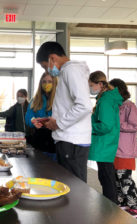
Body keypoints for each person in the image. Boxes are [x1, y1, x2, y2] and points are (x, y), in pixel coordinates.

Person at [36, 41, 92, 182]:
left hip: (71, 142)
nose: (47, 71)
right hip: (69, 140)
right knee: (69, 187)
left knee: (75, 189)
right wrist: (53, 121)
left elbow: (84, 105)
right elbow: (69, 106)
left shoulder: (71, 70)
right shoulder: (68, 72)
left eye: (45, 66)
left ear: (52, 58)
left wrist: (59, 123)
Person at [109, 78, 137, 218]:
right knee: (117, 178)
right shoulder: (115, 106)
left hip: (126, 151)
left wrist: (118, 124)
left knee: (125, 179)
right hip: (114, 149)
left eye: (112, 90)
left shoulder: (129, 106)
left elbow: (135, 126)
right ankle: (123, 203)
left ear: (119, 90)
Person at [88, 71, 123, 203]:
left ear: (100, 84)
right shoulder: (105, 98)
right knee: (106, 177)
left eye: (91, 85)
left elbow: (105, 126)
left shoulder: (105, 100)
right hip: (106, 144)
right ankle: (110, 206)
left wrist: (89, 127)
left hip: (104, 145)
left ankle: (111, 210)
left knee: (107, 178)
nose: (90, 88)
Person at [25, 72, 57, 159]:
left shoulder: (59, 99)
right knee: (38, 168)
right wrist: (33, 121)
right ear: (41, 83)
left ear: (54, 83)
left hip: (55, 140)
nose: (47, 84)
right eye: (44, 81)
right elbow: (29, 116)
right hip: (39, 139)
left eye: (50, 81)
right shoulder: (35, 100)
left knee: (54, 169)